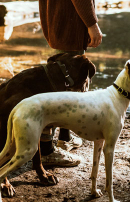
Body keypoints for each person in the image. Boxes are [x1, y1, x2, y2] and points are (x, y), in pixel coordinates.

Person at [38, 0, 103, 166]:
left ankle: (64, 139)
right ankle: (46, 151)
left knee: (67, 87)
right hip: (69, 25)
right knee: (65, 89)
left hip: (59, 21)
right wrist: (92, 24)